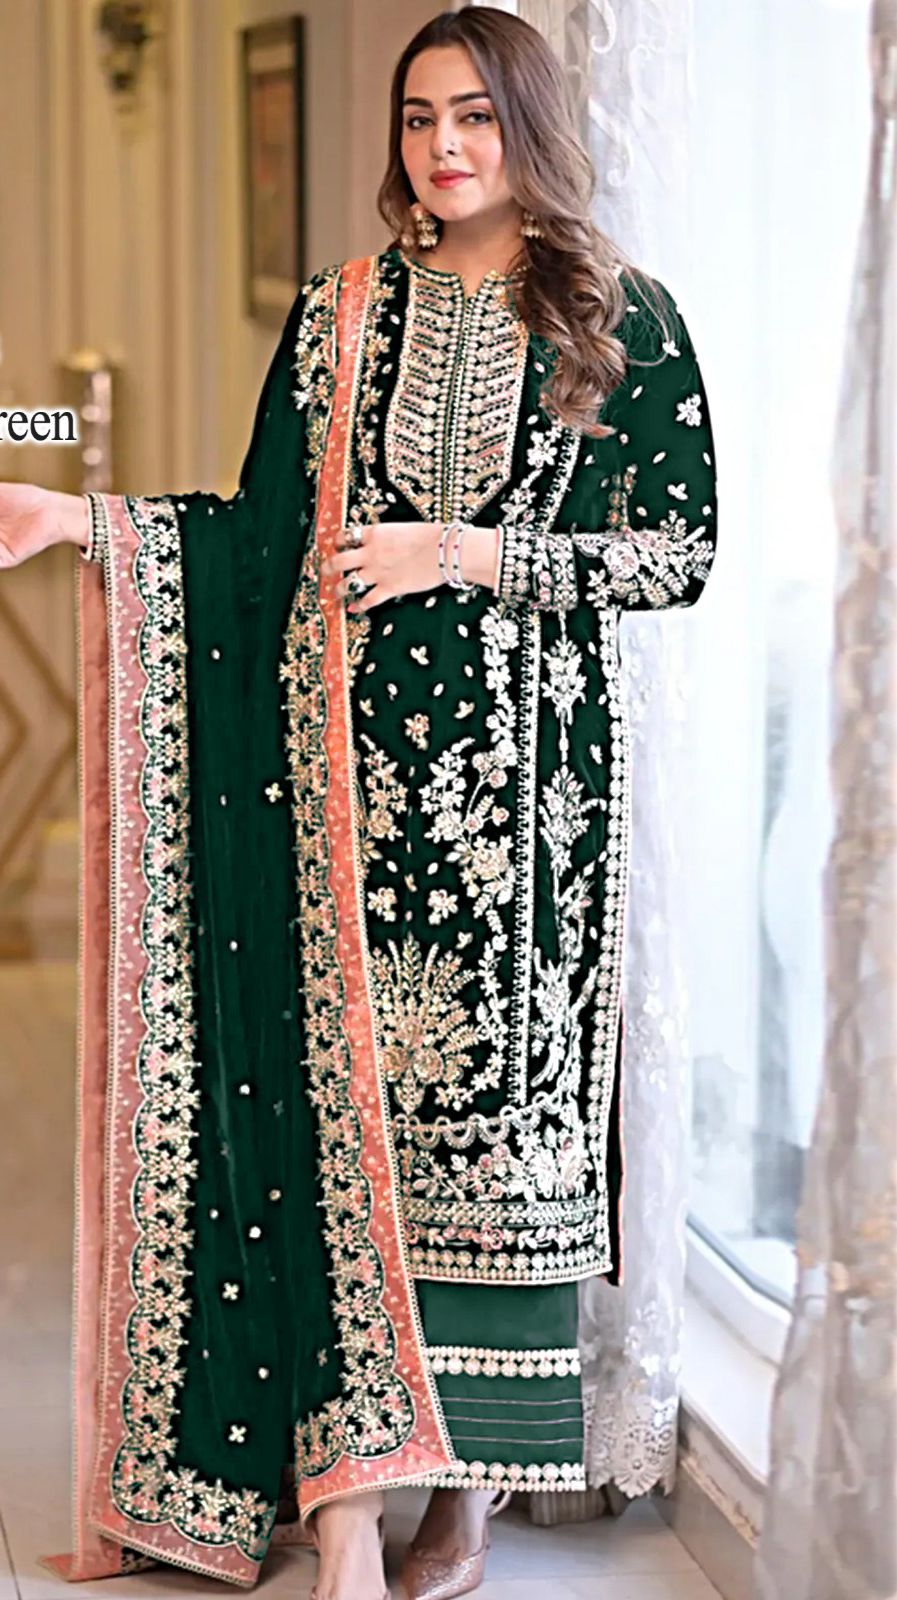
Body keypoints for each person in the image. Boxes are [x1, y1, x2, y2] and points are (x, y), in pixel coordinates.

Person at [0, 9, 717, 1599]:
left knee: (496, 1143)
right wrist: (80, 515)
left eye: (473, 116)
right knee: (342, 1136)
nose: (442, 147)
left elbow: (677, 550)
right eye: (416, 118)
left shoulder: (619, 318)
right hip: (334, 793)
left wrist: (460, 551)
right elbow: (259, 530)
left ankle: (466, 1497)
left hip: (525, 814)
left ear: (527, 124)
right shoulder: (339, 316)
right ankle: (343, 1498)